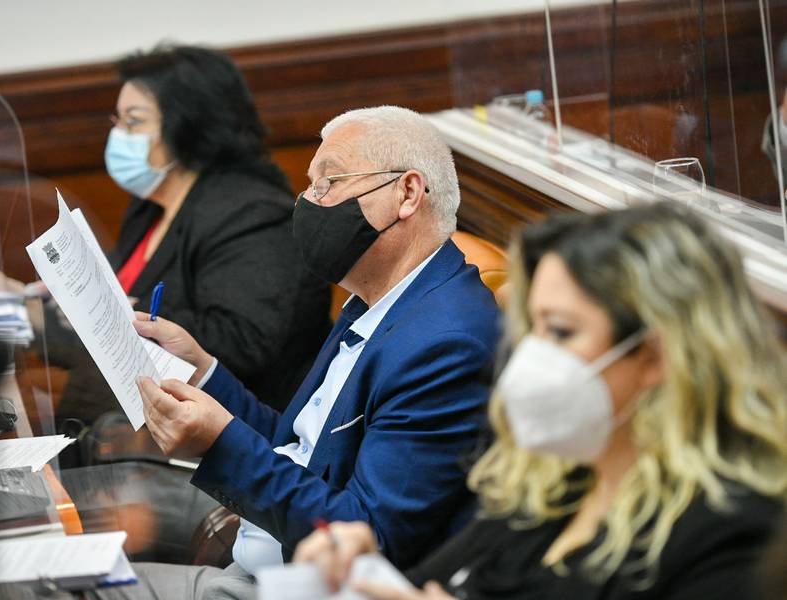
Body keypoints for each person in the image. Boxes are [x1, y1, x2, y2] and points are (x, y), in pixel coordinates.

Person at [89, 105, 503, 599]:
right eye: (309, 185)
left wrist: (219, 444)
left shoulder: (446, 344)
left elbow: (369, 541)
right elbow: (305, 451)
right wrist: (202, 371)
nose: (308, 202)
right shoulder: (376, 300)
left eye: (328, 182)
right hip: (256, 560)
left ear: (407, 193)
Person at [295, 203, 787, 599]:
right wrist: (364, 569)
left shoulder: (736, 534)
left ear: (657, 355)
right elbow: (428, 586)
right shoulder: (550, 482)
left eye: (562, 332)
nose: (531, 356)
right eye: (531, 329)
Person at [0, 45, 331, 419]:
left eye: (134, 122)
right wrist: (25, 305)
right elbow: (106, 334)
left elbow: (241, 344)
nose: (118, 134)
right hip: (133, 414)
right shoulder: (150, 207)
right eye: (117, 121)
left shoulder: (252, 214)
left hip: (231, 427)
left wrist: (120, 311)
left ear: (188, 127)